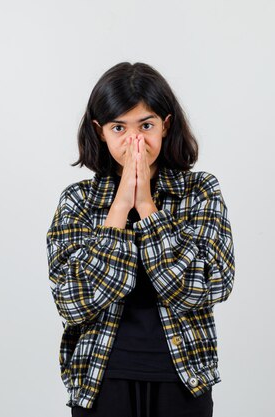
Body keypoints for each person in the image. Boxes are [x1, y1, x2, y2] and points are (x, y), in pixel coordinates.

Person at [45, 62, 236, 417]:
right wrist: (120, 206)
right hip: (100, 380)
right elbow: (71, 302)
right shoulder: (78, 201)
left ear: (165, 125)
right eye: (120, 127)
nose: (135, 141)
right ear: (100, 132)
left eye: (146, 126)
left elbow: (209, 286)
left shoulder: (201, 191)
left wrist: (147, 206)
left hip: (182, 378)